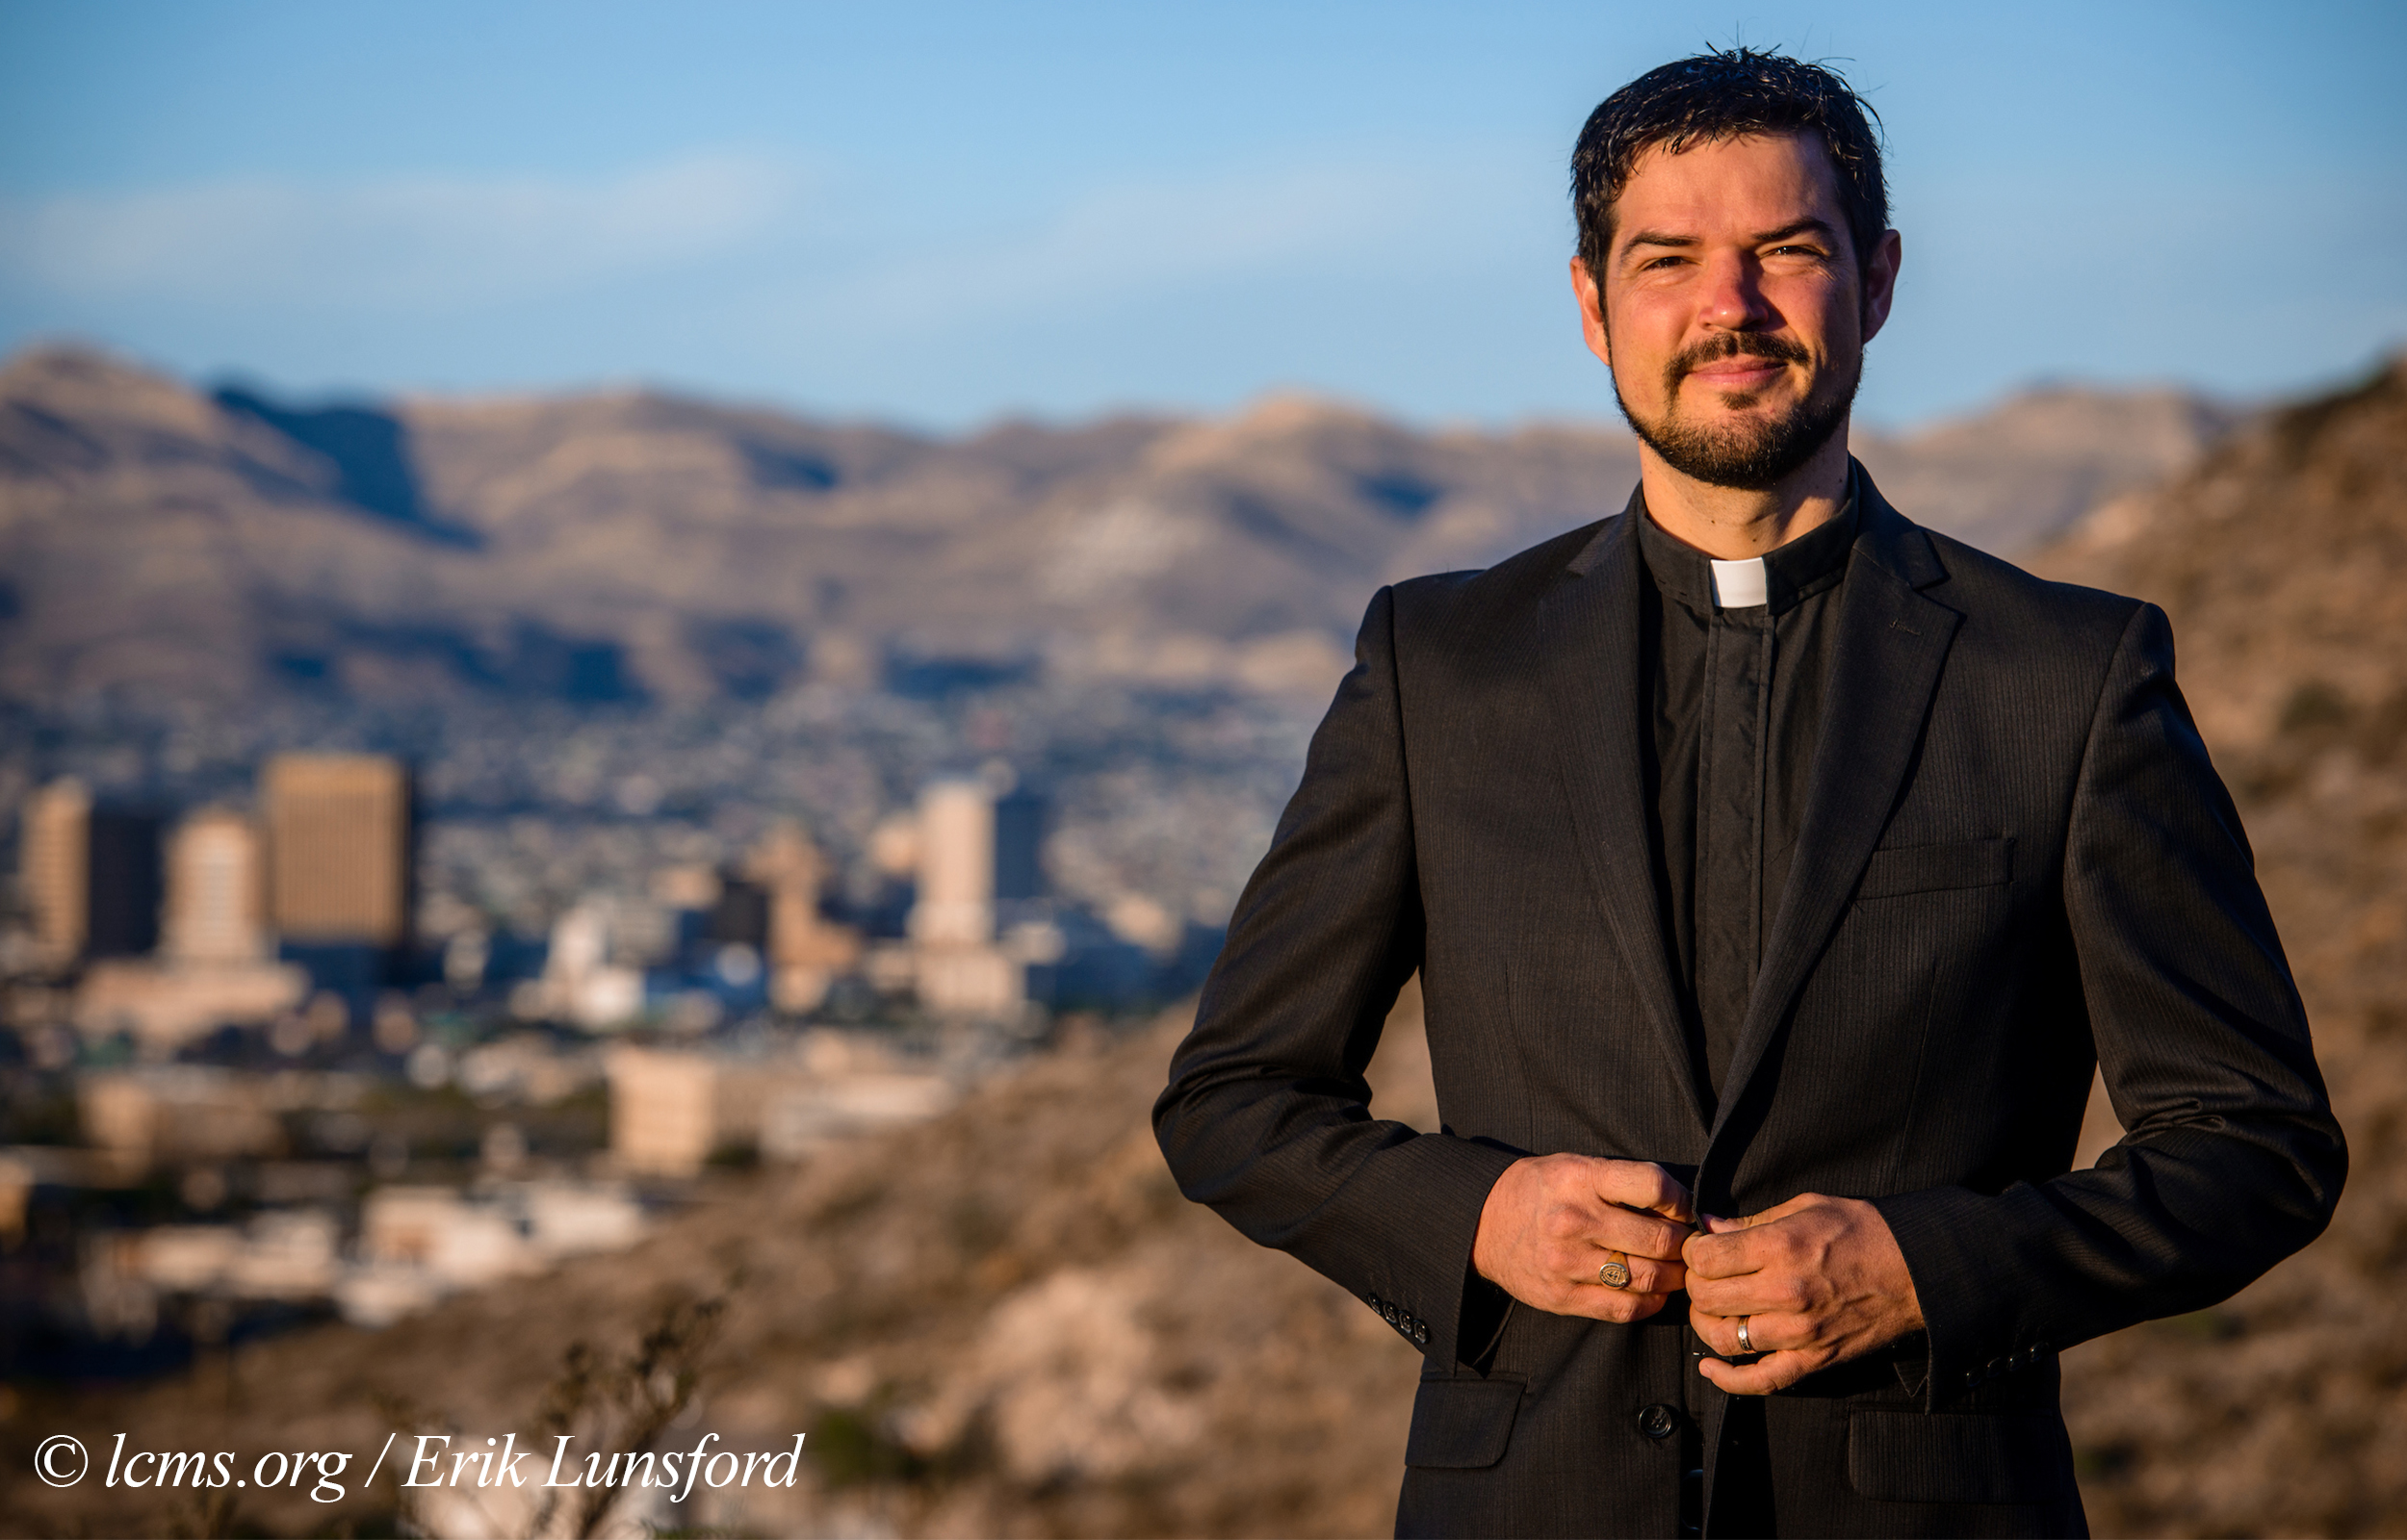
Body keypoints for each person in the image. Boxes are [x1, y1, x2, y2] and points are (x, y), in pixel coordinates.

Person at [1152, 46, 2344, 1539]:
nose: (1732, 305)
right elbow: (1233, 1101)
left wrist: (1927, 1272)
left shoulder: (2069, 679)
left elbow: (2256, 1148)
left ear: (1881, 279)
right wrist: (1483, 1221)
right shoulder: (1438, 667)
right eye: (1669, 260)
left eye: (1787, 250)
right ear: (1593, 307)